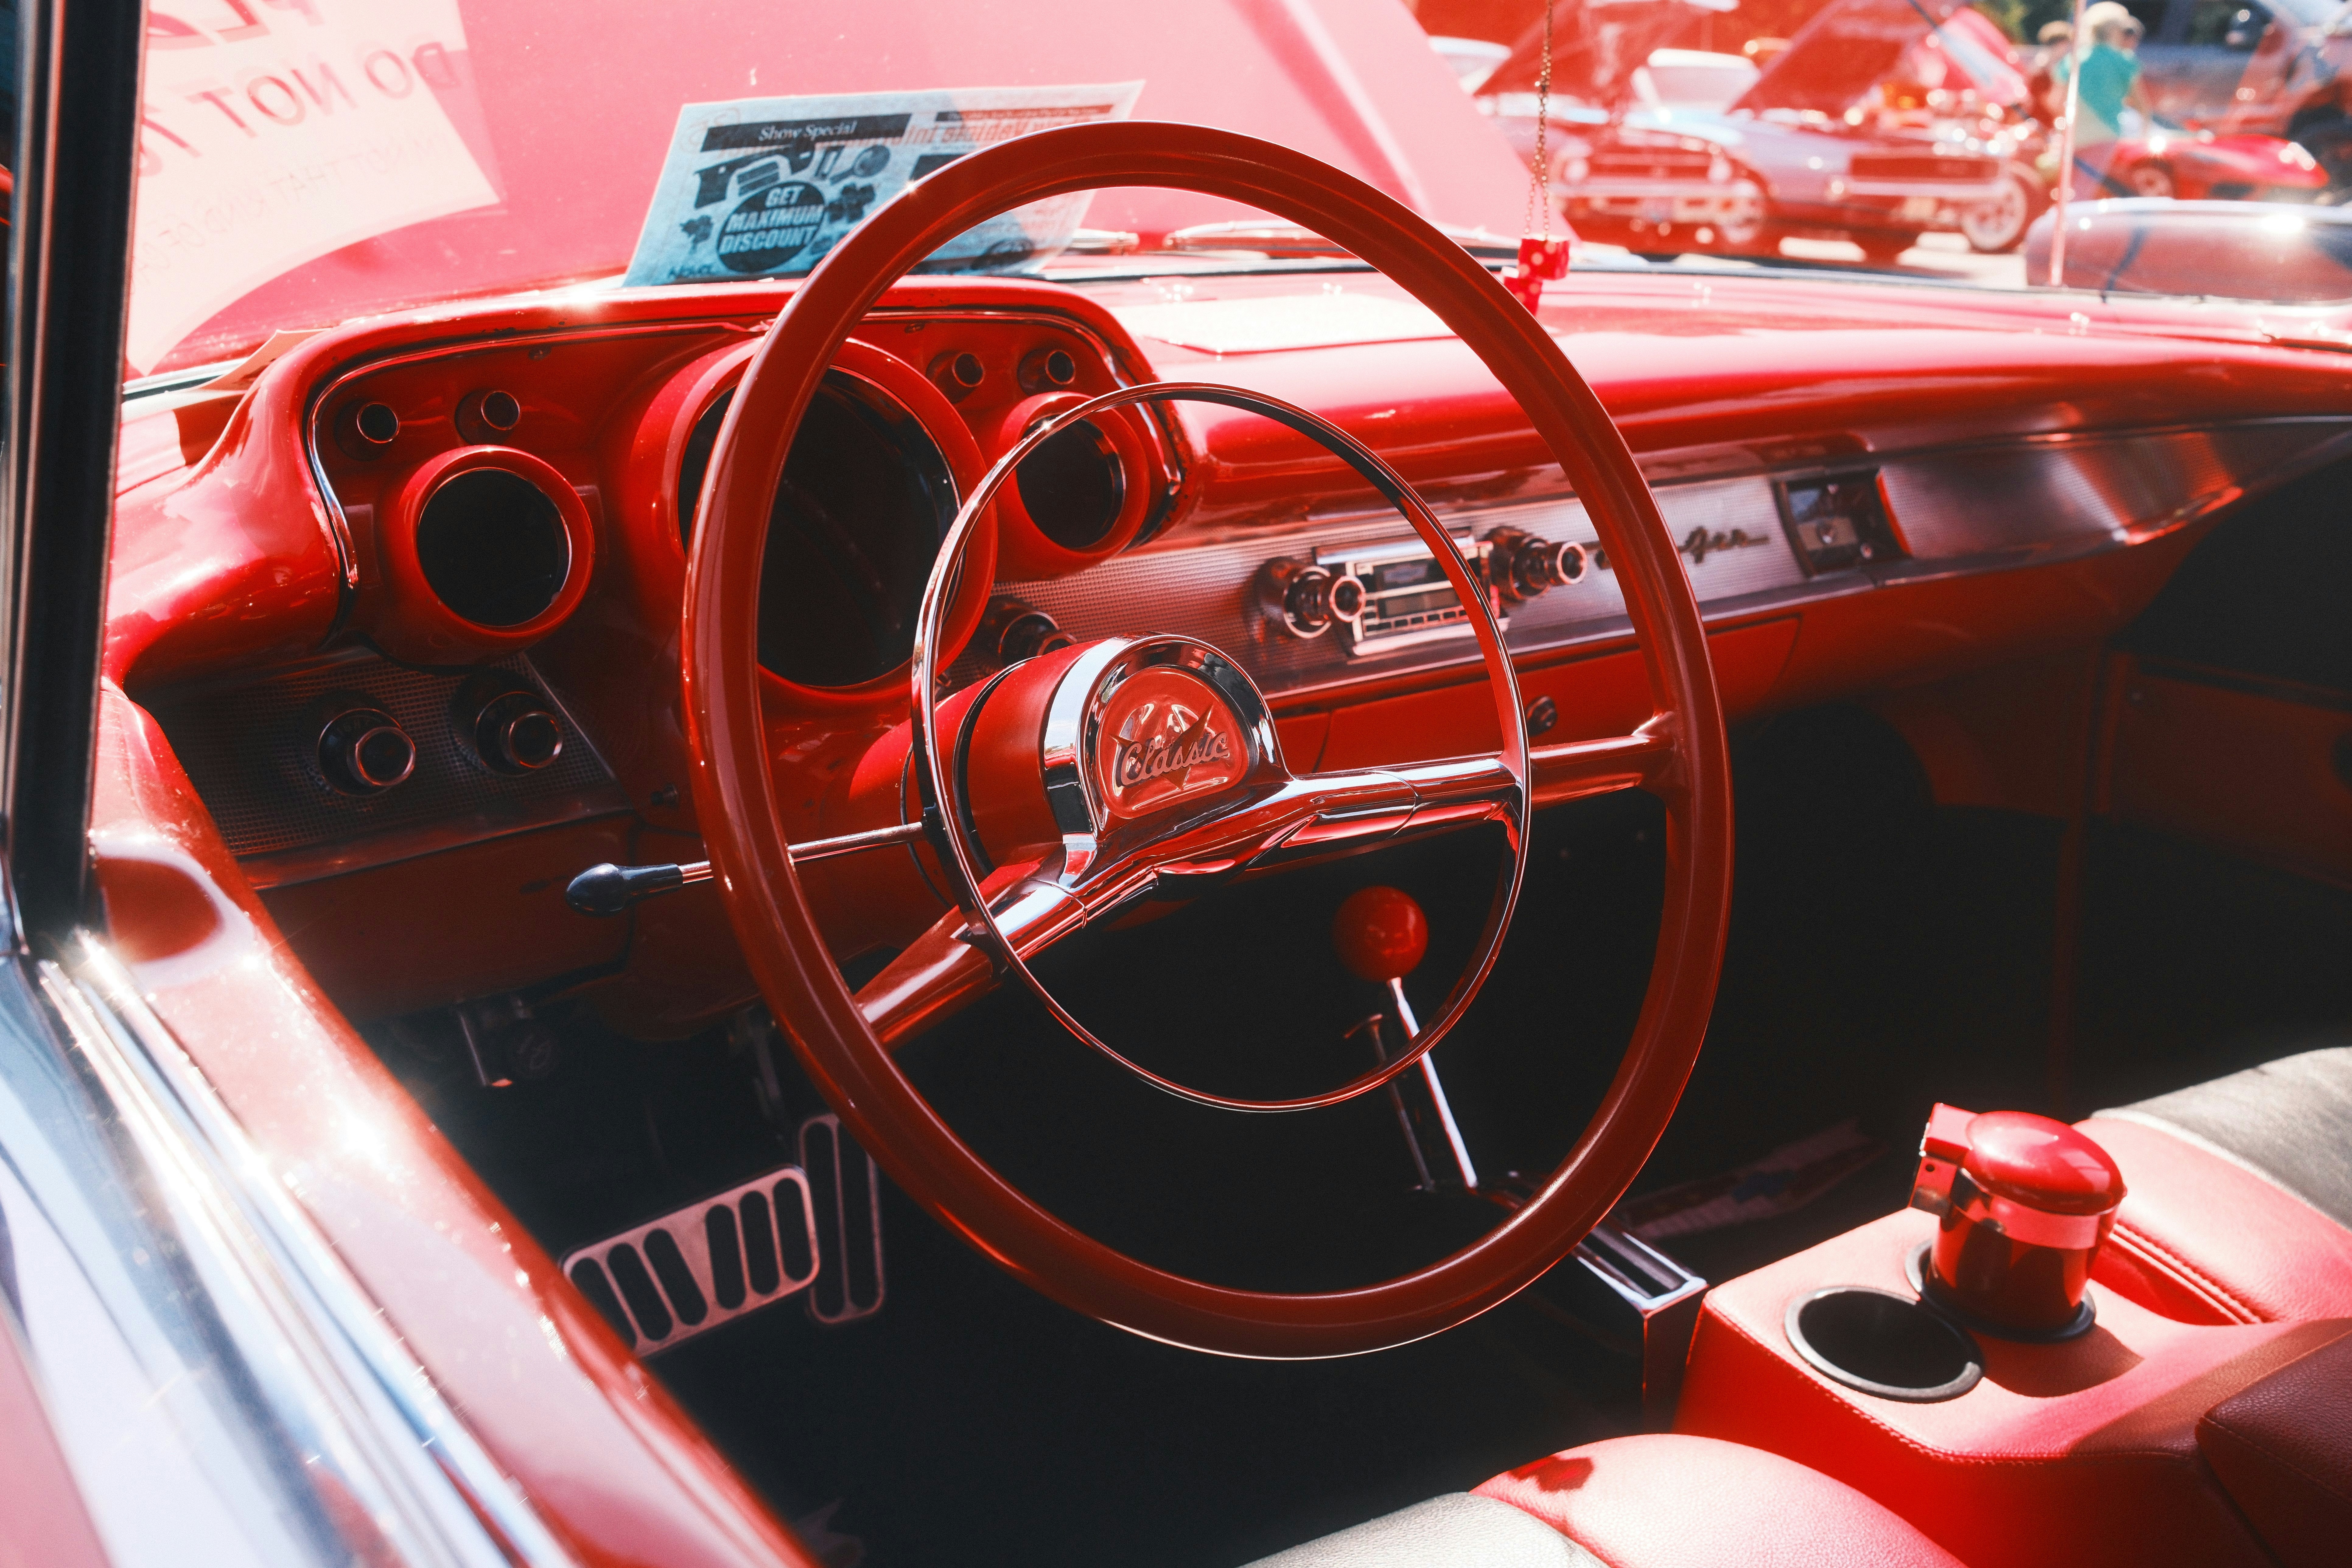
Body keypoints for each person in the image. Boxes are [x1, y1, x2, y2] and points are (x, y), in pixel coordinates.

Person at [2052, 3, 2154, 195]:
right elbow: (2141, 103)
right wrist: (2145, 129)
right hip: (2105, 135)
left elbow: (2054, 101)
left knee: (2068, 188)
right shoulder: (2125, 62)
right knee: (2086, 190)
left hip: (2072, 134)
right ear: (2116, 31)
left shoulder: (2073, 60)